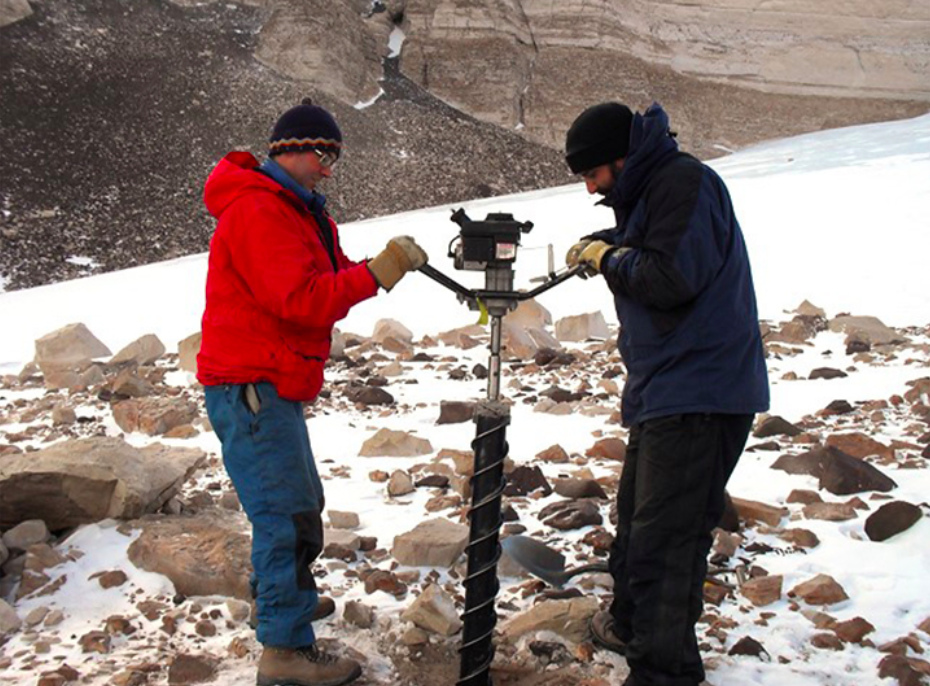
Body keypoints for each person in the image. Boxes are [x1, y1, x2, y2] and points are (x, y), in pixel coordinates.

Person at [197, 98, 427, 686]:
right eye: (323, 154)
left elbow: (326, 276)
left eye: (335, 158)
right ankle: (284, 651)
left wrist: (378, 266)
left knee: (298, 507)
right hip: (252, 385)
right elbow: (300, 299)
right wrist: (377, 273)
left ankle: (284, 609)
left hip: (268, 383)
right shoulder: (258, 210)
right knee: (285, 517)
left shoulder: (295, 211)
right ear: (287, 149)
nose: (328, 168)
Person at [564, 102, 769, 686]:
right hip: (669, 389)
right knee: (637, 521)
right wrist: (605, 243)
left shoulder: (685, 182)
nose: (589, 187)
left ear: (621, 158)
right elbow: (646, 243)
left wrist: (612, 258)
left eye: (593, 174)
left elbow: (669, 276)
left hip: (702, 392)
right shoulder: (652, 189)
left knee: (667, 540)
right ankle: (631, 628)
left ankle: (665, 672)